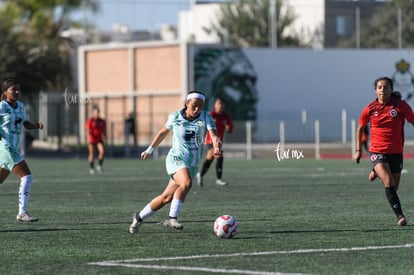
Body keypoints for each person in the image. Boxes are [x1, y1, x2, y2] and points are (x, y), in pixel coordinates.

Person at [129, 91, 222, 234]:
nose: (197, 109)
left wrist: (216, 147)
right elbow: (162, 133)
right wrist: (149, 150)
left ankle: (138, 217)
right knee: (186, 183)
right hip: (176, 158)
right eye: (194, 106)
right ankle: (172, 218)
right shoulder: (176, 116)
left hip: (192, 163)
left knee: (166, 197)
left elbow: (214, 135)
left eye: (200, 106)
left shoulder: (206, 117)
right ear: (186, 104)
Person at [355, 77, 414, 226]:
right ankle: (400, 216)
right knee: (388, 181)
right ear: (375, 90)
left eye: (386, 87)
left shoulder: (401, 106)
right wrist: (358, 150)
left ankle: (375, 171)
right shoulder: (370, 108)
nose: (383, 90)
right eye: (380, 87)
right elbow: (360, 128)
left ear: (391, 90)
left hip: (396, 152)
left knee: (394, 187)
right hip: (376, 151)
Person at [0, 78, 44, 222]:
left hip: (13, 147)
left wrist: (36, 126)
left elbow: (25, 124)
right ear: (6, 92)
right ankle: (22, 212)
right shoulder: (2, 106)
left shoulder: (21, 105)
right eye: (13, 89)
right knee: (27, 176)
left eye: (18, 89)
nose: (17, 92)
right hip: (5, 146)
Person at [196, 97, 234, 186]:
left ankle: (200, 174)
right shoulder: (211, 115)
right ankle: (219, 179)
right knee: (219, 155)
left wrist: (229, 128)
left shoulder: (226, 117)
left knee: (210, 158)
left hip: (219, 141)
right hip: (210, 139)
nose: (220, 106)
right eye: (218, 104)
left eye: (222, 104)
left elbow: (230, 128)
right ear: (215, 105)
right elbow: (201, 123)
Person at [85, 105, 106, 174]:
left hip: (99, 139)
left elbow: (102, 131)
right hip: (92, 139)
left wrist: (104, 137)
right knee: (91, 154)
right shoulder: (90, 120)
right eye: (95, 112)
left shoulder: (101, 121)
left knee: (102, 152)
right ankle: (91, 168)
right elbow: (88, 130)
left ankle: (99, 166)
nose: (96, 114)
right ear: (93, 112)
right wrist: (88, 138)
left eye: (97, 112)